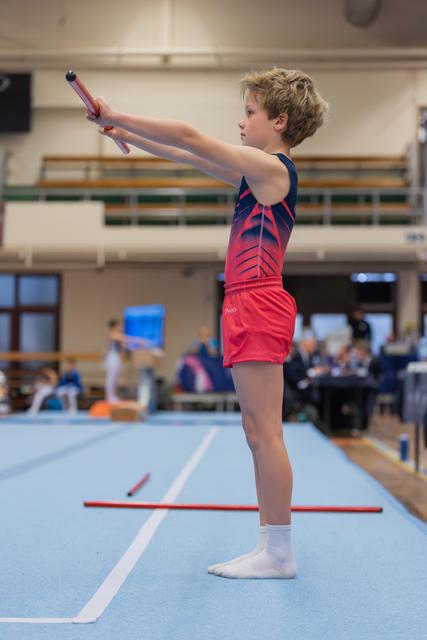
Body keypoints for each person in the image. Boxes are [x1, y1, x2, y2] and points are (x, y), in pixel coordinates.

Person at [86, 68, 328, 579]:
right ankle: (269, 543)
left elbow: (192, 136)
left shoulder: (274, 170)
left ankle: (280, 552)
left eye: (249, 112)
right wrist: (126, 136)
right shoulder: (255, 177)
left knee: (266, 432)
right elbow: (187, 154)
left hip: (258, 300)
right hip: (243, 300)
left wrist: (117, 112)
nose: (240, 123)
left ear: (279, 121)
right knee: (254, 430)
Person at [104, 318, 151, 404]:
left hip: (116, 357)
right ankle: (109, 396)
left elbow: (127, 345)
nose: (121, 327)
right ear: (114, 326)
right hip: (112, 356)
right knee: (111, 377)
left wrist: (138, 346)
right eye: (119, 325)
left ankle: (113, 396)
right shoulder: (113, 334)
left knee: (115, 377)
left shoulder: (119, 336)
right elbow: (126, 339)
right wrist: (139, 340)